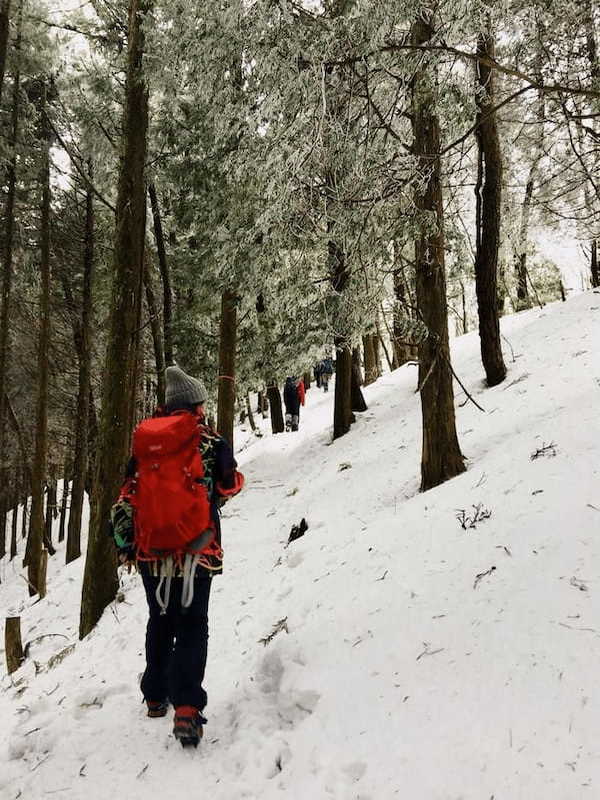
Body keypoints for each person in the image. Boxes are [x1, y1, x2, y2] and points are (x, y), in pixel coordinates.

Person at [110, 365, 244, 747]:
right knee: (192, 625)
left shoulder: (146, 443)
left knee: (161, 618)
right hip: (199, 549)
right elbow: (228, 483)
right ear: (196, 404)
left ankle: (155, 695)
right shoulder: (209, 440)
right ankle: (186, 708)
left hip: (152, 550)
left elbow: (128, 492)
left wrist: (128, 545)